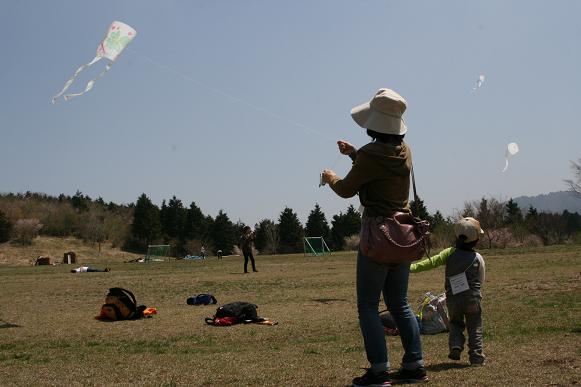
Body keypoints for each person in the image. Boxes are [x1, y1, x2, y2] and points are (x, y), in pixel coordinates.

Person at [321, 88, 427, 386]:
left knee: (368, 305)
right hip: (403, 236)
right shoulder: (406, 151)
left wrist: (330, 176)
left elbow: (345, 190)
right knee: (400, 303)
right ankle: (415, 365)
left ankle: (379, 370)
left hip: (377, 238)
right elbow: (377, 168)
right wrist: (354, 153)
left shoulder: (370, 154)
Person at [410, 217, 486, 366]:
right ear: (476, 240)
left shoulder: (449, 253)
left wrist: (411, 268)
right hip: (472, 299)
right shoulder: (477, 257)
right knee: (474, 326)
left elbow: (431, 262)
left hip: (453, 299)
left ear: (457, 236)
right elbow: (481, 278)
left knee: (455, 323)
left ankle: (456, 345)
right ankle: (476, 358)